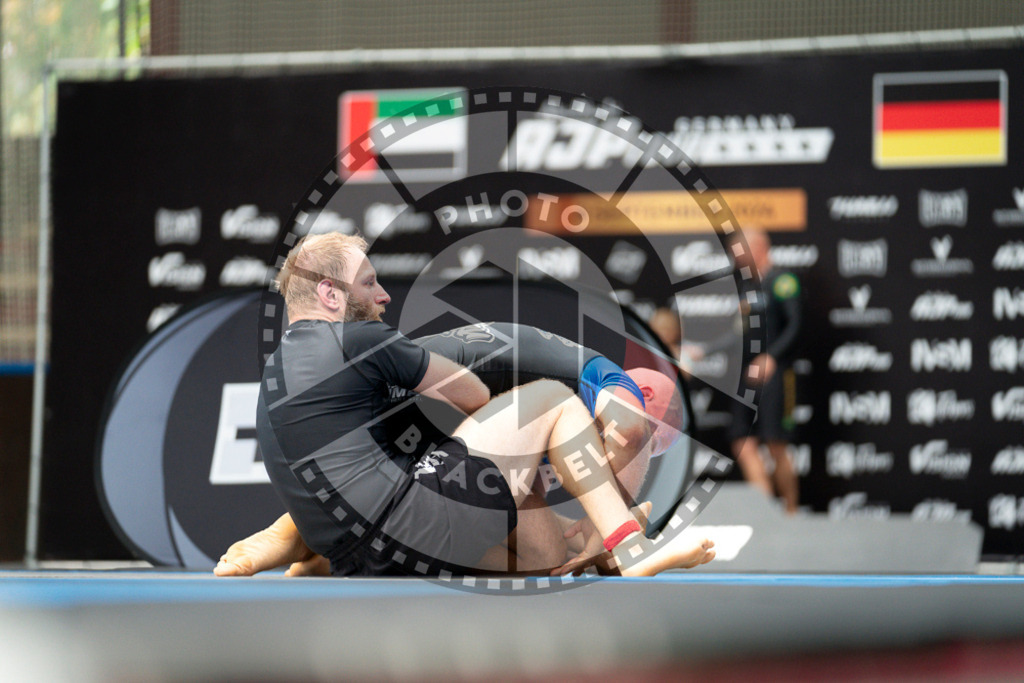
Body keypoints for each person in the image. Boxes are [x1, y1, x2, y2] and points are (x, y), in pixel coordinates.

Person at [227, 231, 714, 579]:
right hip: (409, 517)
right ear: (330, 294)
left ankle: (305, 546)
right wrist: (547, 452)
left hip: (362, 558)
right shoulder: (359, 339)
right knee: (551, 402)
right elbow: (471, 393)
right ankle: (628, 547)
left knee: (542, 555)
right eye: (369, 283)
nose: (383, 295)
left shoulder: (277, 369)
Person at [218, 320, 686, 577]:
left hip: (414, 433)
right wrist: (604, 536)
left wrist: (577, 539)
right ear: (645, 396)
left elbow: (515, 490)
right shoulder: (611, 383)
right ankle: (297, 529)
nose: (610, 457)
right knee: (564, 416)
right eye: (658, 443)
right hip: (404, 403)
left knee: (544, 559)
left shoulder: (559, 430)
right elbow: (630, 432)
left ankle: (319, 552)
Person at [729, 228, 803, 513]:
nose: (735, 256)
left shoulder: (783, 281)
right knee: (743, 444)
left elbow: (796, 326)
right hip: (746, 376)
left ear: (759, 247)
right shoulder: (747, 287)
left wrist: (772, 358)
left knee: (775, 445)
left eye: (740, 249)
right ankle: (767, 515)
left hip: (776, 374)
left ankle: (791, 513)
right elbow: (737, 334)